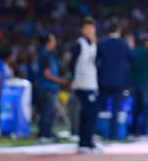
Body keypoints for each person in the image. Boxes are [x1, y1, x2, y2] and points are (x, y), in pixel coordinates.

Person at [96, 21, 132, 140]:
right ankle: (113, 135)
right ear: (119, 31)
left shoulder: (102, 43)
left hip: (103, 80)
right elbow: (131, 59)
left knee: (101, 108)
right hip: (119, 81)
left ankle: (100, 132)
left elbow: (95, 61)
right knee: (115, 109)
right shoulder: (123, 44)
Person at [70, 17, 101, 152]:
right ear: (83, 30)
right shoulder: (79, 44)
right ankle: (85, 142)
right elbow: (71, 64)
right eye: (88, 28)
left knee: (90, 113)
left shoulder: (93, 44)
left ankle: (87, 141)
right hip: (82, 83)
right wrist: (72, 79)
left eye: (92, 28)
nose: (90, 31)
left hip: (92, 83)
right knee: (89, 112)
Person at [37, 33, 68, 142]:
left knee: (49, 112)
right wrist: (61, 81)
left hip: (50, 87)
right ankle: (44, 135)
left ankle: (47, 133)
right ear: (48, 42)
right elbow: (47, 74)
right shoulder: (46, 54)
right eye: (53, 40)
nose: (55, 42)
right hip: (47, 87)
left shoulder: (48, 54)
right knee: (47, 112)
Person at [130, 33, 148, 137]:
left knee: (136, 108)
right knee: (147, 108)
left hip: (135, 83)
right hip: (146, 83)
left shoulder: (134, 51)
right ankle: (145, 132)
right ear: (147, 43)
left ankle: (133, 131)